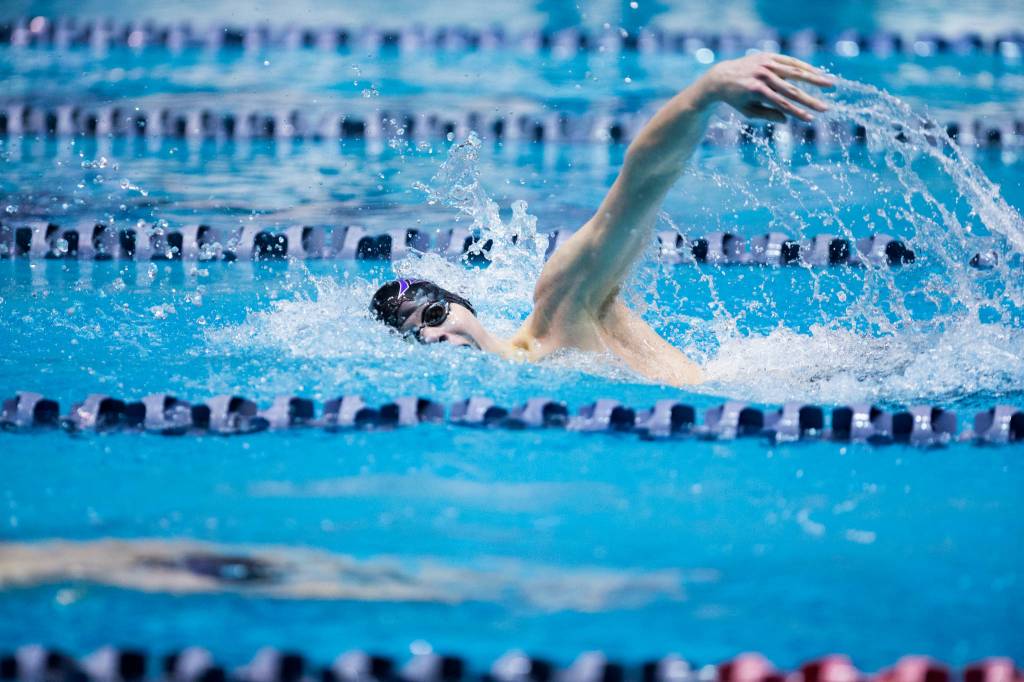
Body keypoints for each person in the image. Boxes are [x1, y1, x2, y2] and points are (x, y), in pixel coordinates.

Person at [371, 53, 834, 387]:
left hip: (805, 383)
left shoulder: (558, 308)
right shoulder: (524, 383)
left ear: (465, 306)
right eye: (418, 337)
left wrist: (705, 91)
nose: (435, 336)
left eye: (433, 314)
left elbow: (640, 182)